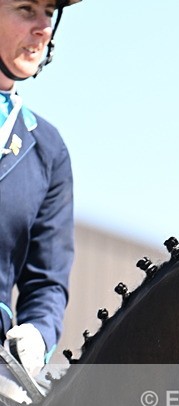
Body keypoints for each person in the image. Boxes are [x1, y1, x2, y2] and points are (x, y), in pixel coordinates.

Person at [0, 0, 80, 382]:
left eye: (49, 13)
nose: (43, 28)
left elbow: (47, 280)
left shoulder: (47, 148)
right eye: (27, 10)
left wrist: (38, 331)